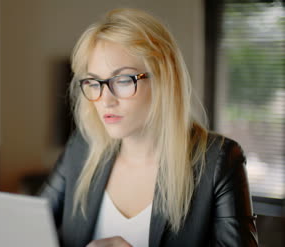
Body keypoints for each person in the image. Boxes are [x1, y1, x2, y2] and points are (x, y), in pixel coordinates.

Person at [38, 8, 258, 247]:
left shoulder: (218, 161)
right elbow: (28, 230)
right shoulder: (81, 148)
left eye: (122, 80)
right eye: (94, 82)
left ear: (164, 79)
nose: (105, 100)